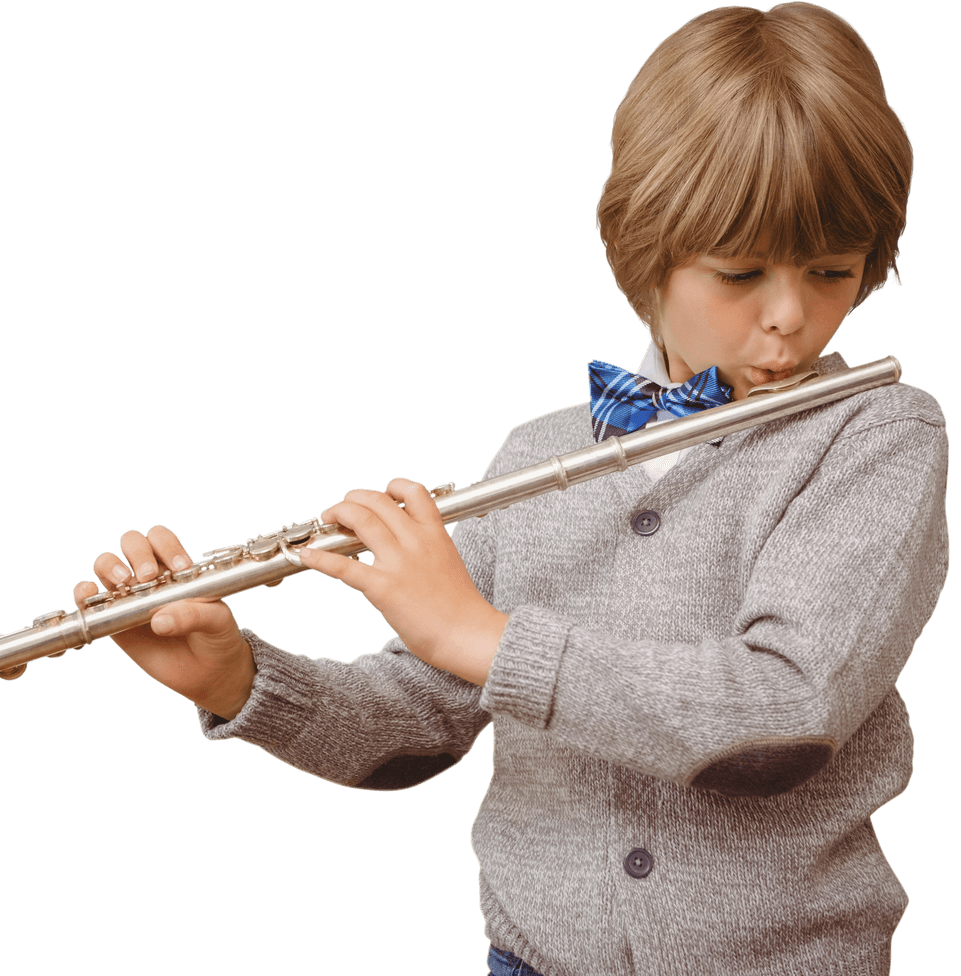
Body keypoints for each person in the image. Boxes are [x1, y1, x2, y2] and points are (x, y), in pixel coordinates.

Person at [74, 4, 948, 974]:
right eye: (741, 272)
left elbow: (788, 708)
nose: (790, 316)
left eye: (833, 269)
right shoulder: (538, 451)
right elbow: (418, 721)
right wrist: (240, 677)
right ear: (646, 248)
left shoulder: (878, 434)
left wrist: (488, 637)